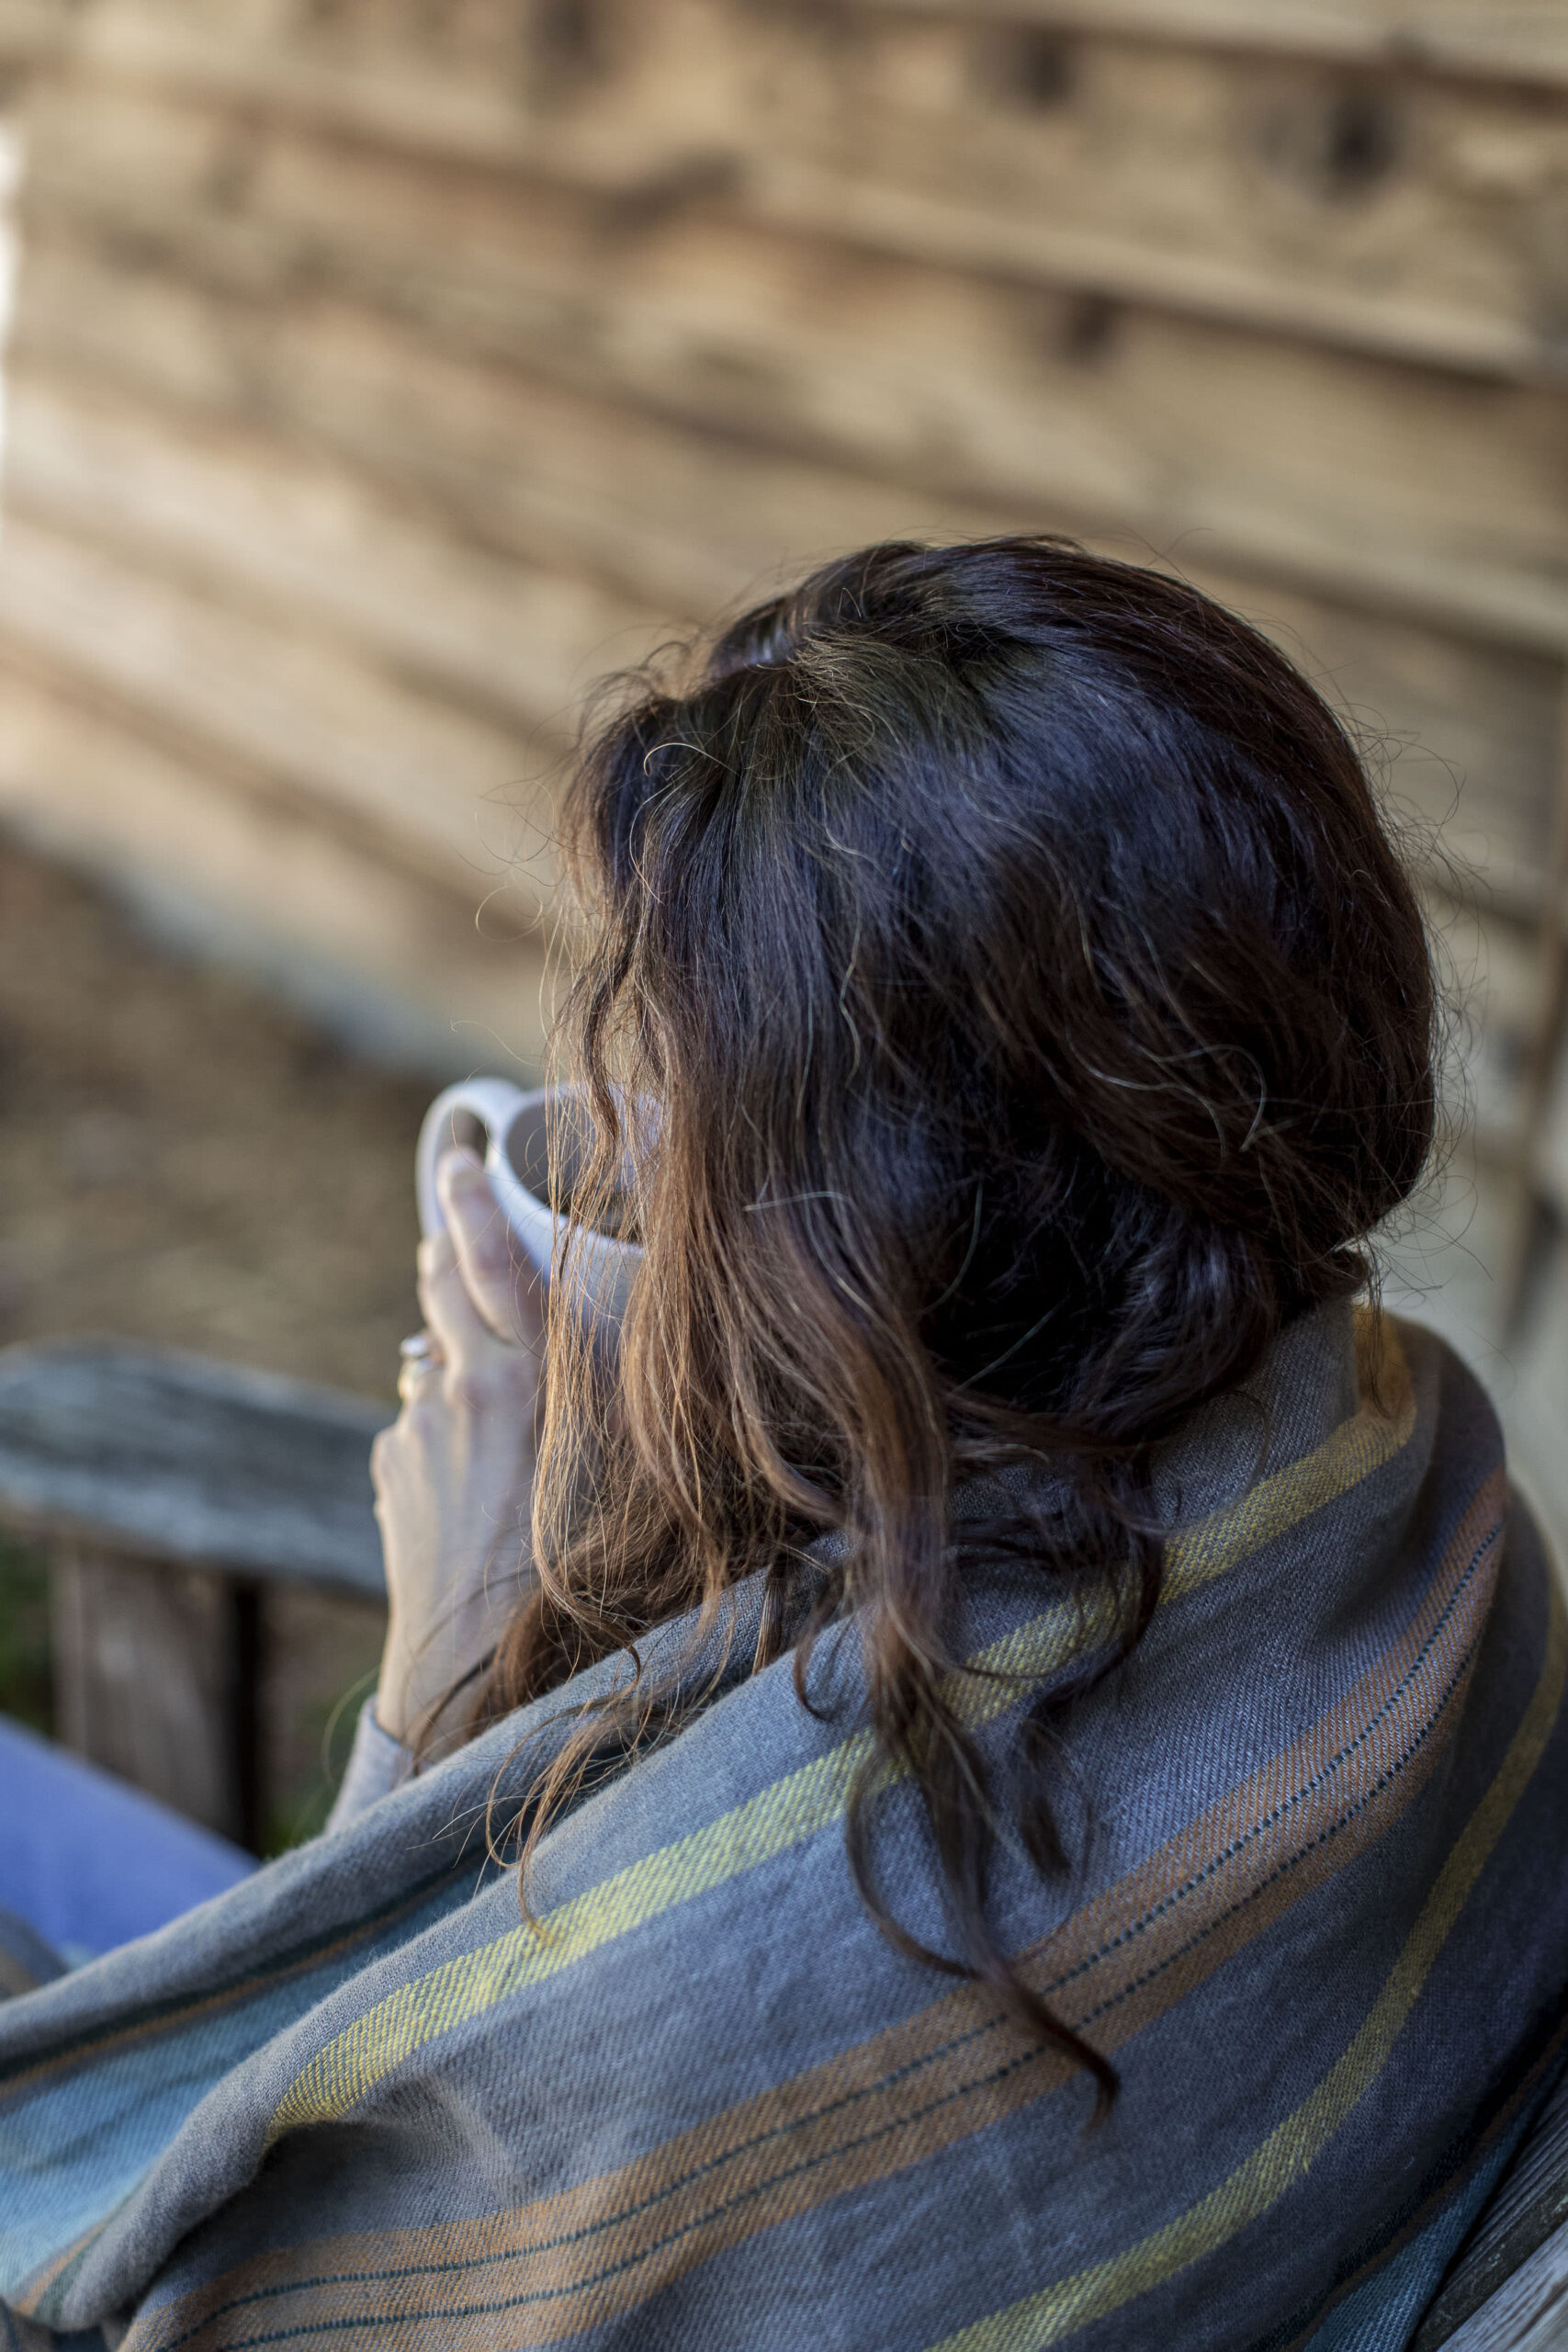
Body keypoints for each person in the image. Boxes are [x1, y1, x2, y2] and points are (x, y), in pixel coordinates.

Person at [2, 537, 1565, 2352]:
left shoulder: (735, 1983)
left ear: (875, 1227)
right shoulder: (1400, 1455)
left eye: (686, 1092)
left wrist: (437, 1682)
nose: (631, 1145)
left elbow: (208, 2287)